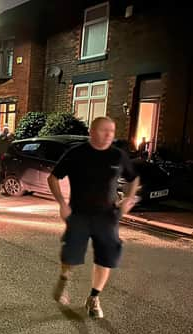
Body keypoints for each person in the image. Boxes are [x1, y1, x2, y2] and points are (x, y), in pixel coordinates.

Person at [48, 116, 140, 318]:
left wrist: (129, 198)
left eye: (112, 131)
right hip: (78, 214)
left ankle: (93, 298)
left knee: (106, 258)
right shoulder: (76, 154)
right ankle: (64, 279)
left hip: (107, 216)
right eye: (103, 130)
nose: (109, 135)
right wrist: (62, 203)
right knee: (70, 255)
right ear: (91, 132)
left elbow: (133, 178)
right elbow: (53, 177)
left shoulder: (118, 156)